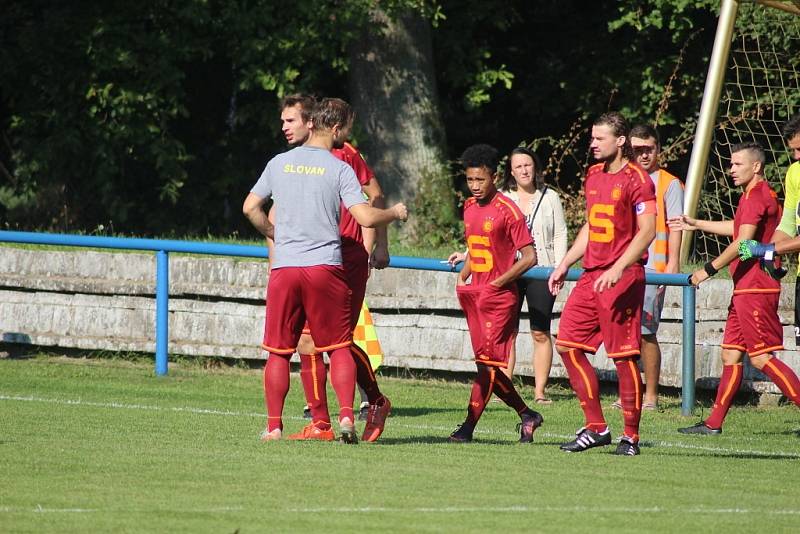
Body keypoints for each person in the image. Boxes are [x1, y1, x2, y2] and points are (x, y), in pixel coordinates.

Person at [243, 97, 407, 443]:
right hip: (325, 266)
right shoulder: (338, 167)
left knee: (279, 351)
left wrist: (274, 234)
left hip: (287, 267)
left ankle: (274, 426)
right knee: (338, 345)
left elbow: (250, 207)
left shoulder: (280, 163)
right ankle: (343, 417)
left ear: (309, 122)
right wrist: (394, 214)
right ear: (333, 128)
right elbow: (366, 212)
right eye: (345, 130)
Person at [670, 142, 800, 435]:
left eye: (737, 164)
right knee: (730, 354)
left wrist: (707, 269)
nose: (731, 170)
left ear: (756, 166)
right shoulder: (750, 196)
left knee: (761, 357)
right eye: (730, 164)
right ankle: (713, 423)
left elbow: (742, 244)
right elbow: (739, 229)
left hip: (757, 288)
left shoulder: (758, 196)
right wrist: (697, 223)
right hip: (743, 287)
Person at [548, 112, 656, 456]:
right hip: (592, 274)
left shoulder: (638, 179)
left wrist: (620, 266)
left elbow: (648, 231)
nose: (592, 144)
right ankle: (596, 427)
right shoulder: (593, 175)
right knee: (567, 344)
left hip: (622, 276)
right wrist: (565, 263)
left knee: (623, 357)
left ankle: (631, 437)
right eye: (592, 138)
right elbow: (592, 227)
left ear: (620, 140)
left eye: (600, 138)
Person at [448, 147, 567, 403]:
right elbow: (479, 243)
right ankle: (521, 410)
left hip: (524, 279)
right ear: (510, 172)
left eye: (480, 179)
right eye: (470, 180)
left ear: (493, 176)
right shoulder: (472, 205)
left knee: (536, 332)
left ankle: (536, 393)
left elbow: (537, 250)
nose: (475, 185)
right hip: (489, 286)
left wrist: (559, 267)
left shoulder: (517, 206)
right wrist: (464, 272)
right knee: (490, 354)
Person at [610, 125, 683, 410]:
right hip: (624, 268)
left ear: (658, 149)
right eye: (637, 149)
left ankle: (650, 394)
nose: (643, 155)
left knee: (645, 331)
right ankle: (628, 392)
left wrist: (673, 263)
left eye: (648, 149)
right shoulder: (623, 178)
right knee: (623, 332)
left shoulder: (668, 183)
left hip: (654, 268)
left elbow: (675, 225)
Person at [738, 113, 800, 345]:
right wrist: (768, 256)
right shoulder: (795, 172)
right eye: (793, 151)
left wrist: (769, 248)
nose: (796, 156)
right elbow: (788, 223)